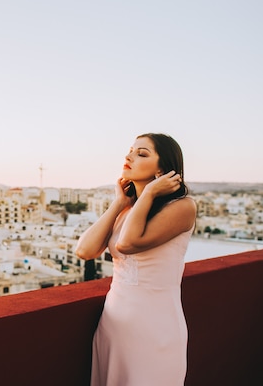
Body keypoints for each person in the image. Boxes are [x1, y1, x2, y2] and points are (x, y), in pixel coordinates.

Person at [76, 133, 197, 385]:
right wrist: (118, 203)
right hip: (113, 324)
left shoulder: (183, 207)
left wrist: (151, 192)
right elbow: (84, 251)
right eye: (131, 150)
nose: (129, 156)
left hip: (155, 328)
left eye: (142, 153)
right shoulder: (128, 209)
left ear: (162, 169)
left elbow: (127, 244)